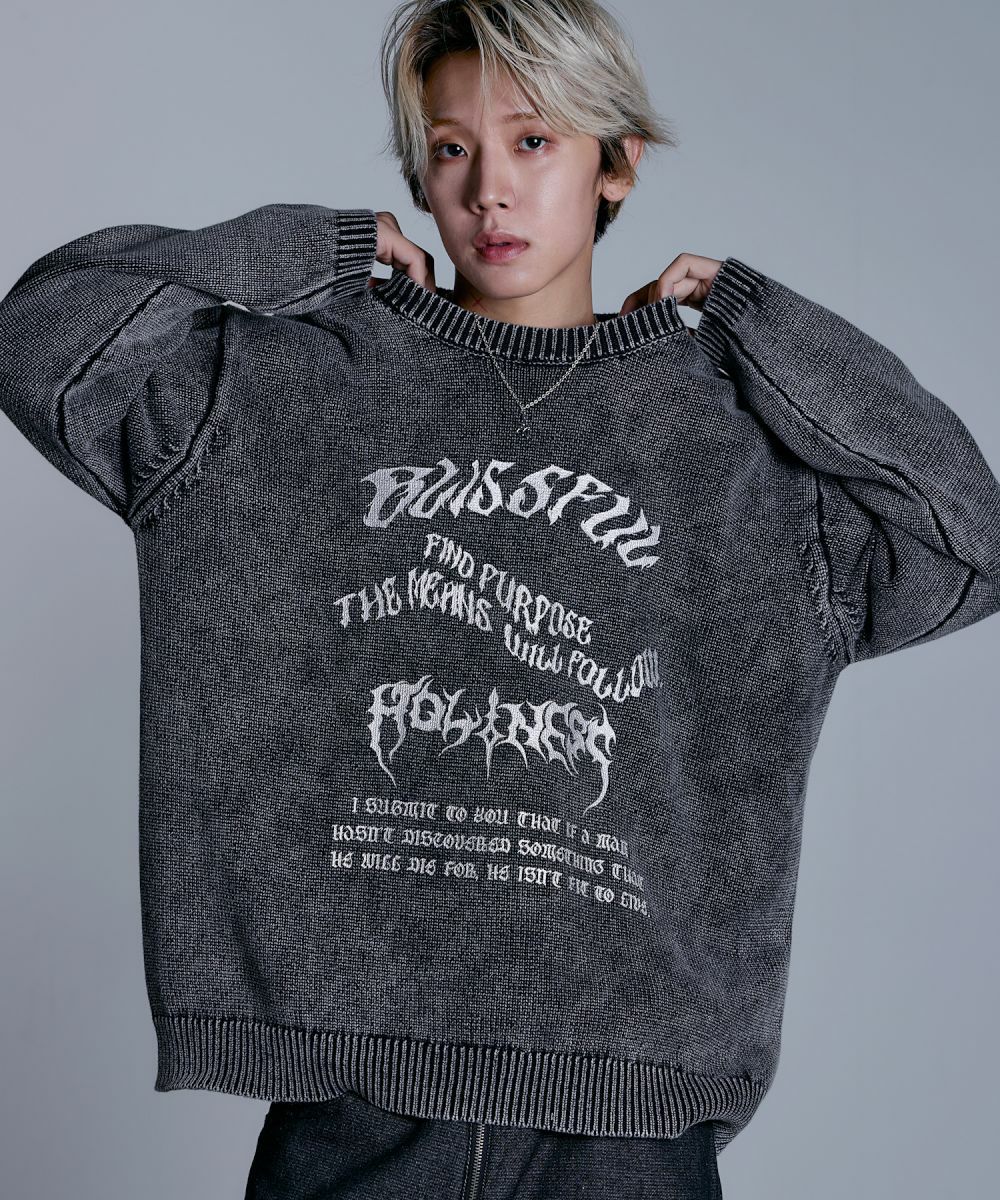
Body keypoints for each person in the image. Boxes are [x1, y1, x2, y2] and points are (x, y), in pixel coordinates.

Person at [1, 2, 998, 1197]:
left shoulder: (730, 446)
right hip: (355, 1102)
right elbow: (43, 336)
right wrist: (311, 250)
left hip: (628, 1126)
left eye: (533, 141)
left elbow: (965, 536)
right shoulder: (284, 387)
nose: (489, 190)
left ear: (617, 163)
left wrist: (753, 315)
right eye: (451, 147)